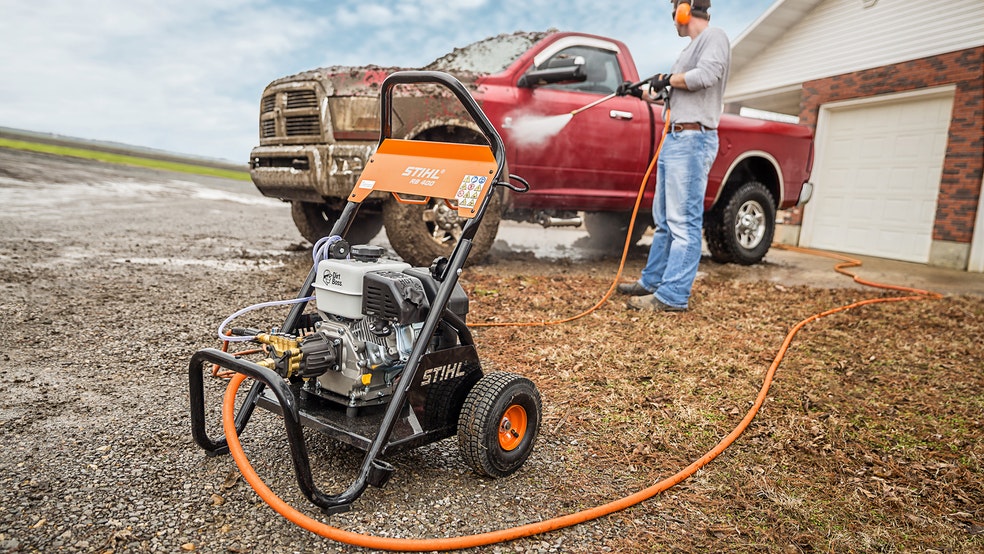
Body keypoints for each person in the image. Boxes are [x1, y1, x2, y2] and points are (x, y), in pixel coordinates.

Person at [615, 0, 730, 312]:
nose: (672, 18)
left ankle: (673, 296)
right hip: (676, 137)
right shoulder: (687, 51)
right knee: (664, 220)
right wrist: (639, 91)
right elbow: (671, 91)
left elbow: (705, 76)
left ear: (685, 9)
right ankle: (652, 282)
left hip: (693, 139)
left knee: (683, 222)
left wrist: (668, 79)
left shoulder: (713, 36)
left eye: (673, 9)